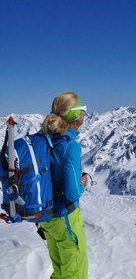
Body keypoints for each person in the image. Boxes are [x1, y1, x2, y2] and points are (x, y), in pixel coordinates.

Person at [41, 91, 89, 279]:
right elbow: (72, 192)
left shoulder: (45, 139)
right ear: (76, 117)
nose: (85, 114)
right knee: (75, 272)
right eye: (84, 110)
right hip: (65, 217)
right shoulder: (71, 146)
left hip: (46, 218)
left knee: (60, 270)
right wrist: (83, 182)